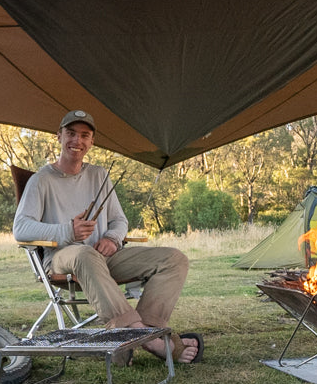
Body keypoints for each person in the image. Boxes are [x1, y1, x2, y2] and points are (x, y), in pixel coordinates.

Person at [13, 110, 200, 365]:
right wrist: (68, 231)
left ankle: (144, 332)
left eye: (84, 135)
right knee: (84, 253)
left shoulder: (99, 175)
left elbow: (119, 220)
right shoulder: (41, 180)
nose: (76, 141)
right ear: (58, 136)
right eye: (70, 133)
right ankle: (146, 338)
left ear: (91, 142)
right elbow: (21, 229)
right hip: (63, 258)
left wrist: (112, 238)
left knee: (174, 259)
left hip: (104, 258)